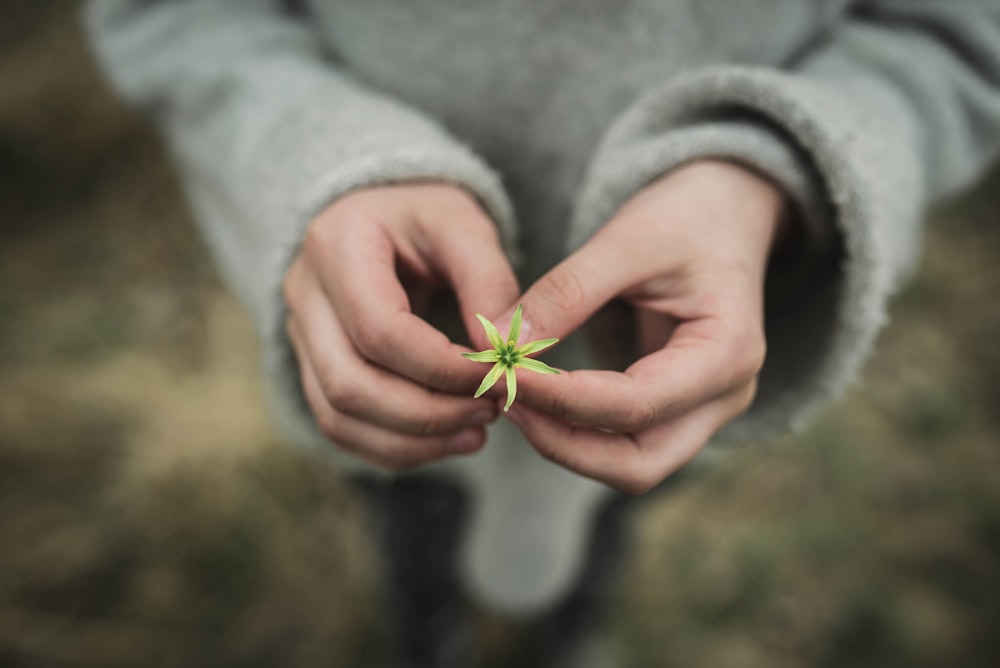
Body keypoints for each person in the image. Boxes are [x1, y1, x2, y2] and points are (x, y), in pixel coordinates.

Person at [84, 1, 1000, 666]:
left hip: (659, 368)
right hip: (393, 368)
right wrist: (323, 156)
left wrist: (770, 170)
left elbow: (957, 38)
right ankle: (429, 634)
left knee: (611, 515)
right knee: (411, 514)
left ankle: (570, 628)